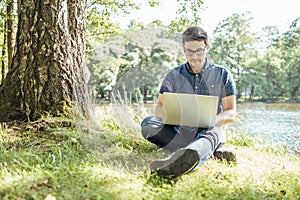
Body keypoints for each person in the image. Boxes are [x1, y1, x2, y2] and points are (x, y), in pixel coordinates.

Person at [141, 26, 237, 178]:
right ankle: (206, 150)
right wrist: (169, 117)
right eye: (189, 51)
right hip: (179, 132)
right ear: (183, 49)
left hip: (209, 130)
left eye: (199, 50)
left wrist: (213, 120)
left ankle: (187, 157)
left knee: (212, 133)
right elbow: (160, 106)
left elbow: (231, 112)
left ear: (207, 47)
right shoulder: (173, 75)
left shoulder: (222, 74)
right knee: (148, 123)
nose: (194, 56)